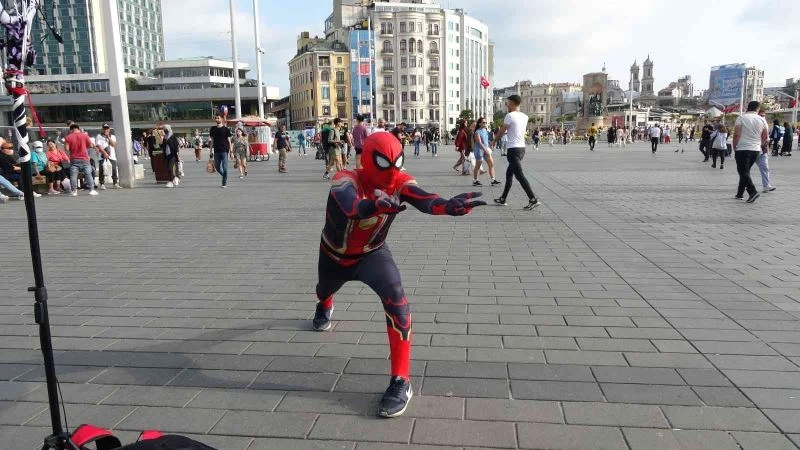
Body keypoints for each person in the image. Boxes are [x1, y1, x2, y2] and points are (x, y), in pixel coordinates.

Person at [312, 132, 485, 418]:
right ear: (368, 161)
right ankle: (325, 303)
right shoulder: (345, 178)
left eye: (397, 163)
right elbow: (351, 206)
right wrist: (374, 205)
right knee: (323, 289)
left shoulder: (399, 181)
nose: (392, 173)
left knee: (396, 299)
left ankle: (401, 380)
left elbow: (424, 199)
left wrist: (448, 207)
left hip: (372, 254)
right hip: (334, 255)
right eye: (384, 164)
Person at [491, 95, 541, 210]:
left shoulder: (509, 116)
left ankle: (533, 199)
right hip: (521, 149)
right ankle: (503, 198)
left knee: (519, 175)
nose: (507, 105)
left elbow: (502, 131)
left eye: (508, 103)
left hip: (513, 150)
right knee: (509, 174)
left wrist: (493, 141)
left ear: (513, 103)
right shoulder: (525, 116)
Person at [733, 101, 769, 203]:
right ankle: (740, 193)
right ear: (757, 109)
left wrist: (735, 146)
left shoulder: (741, 118)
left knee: (743, 171)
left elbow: (736, 134)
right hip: (756, 149)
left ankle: (752, 192)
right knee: (745, 171)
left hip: (742, 148)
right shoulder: (762, 120)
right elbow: (765, 136)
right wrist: (760, 145)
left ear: (748, 108)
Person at [64, 123, 98, 196]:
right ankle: (91, 190)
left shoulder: (68, 137)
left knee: (73, 176)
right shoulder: (85, 135)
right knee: (88, 174)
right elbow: (90, 145)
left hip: (74, 159)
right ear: (78, 128)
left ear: (71, 130)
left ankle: (74, 191)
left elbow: (66, 149)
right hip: (84, 158)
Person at [472, 117, 500, 187]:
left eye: (485, 122)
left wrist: (490, 145)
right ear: (479, 124)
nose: (485, 124)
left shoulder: (485, 130)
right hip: (479, 150)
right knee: (478, 166)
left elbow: (485, 140)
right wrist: (486, 150)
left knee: (491, 164)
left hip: (486, 149)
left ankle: (493, 180)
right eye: (483, 122)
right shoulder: (477, 132)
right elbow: (479, 143)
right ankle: (475, 180)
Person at [95, 123, 121, 190]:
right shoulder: (99, 136)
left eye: (107, 128)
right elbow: (99, 145)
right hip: (102, 156)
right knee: (102, 169)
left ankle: (115, 183)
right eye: (104, 128)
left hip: (112, 155)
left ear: (109, 129)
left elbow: (114, 145)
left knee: (114, 169)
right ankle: (102, 183)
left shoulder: (112, 136)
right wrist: (104, 153)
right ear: (102, 129)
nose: (106, 130)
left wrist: (108, 138)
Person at [209, 114, 232, 188]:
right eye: (216, 118)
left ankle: (224, 182)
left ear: (221, 119)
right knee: (217, 167)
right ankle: (224, 176)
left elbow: (229, 141)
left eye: (218, 118)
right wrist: (210, 151)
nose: (217, 119)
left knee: (225, 168)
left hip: (224, 151)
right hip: (216, 151)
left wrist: (231, 151)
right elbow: (212, 141)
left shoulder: (225, 129)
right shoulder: (213, 129)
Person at [757, 110, 776, 193]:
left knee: (765, 168)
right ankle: (744, 186)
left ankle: (766, 186)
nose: (762, 117)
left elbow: (766, 138)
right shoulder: (753, 125)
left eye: (764, 115)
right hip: (752, 149)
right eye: (761, 115)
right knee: (746, 170)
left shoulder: (766, 125)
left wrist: (767, 148)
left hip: (762, 151)